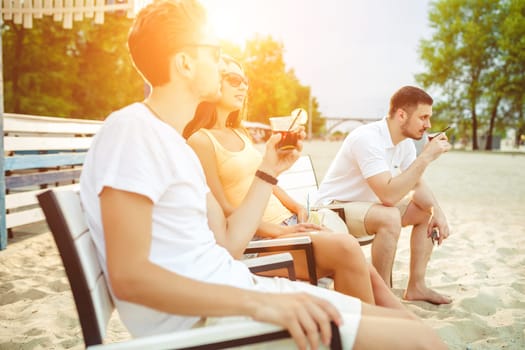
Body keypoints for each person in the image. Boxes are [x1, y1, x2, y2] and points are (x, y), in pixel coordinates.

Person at [79, 1, 447, 348]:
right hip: (212, 323)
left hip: (237, 295)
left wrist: (268, 170)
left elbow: (227, 244)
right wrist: (260, 305)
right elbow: (129, 277)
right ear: (185, 63)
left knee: (411, 329)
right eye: (215, 52)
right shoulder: (132, 132)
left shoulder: (173, 143)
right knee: (422, 343)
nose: (223, 64)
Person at [185, 55, 411, 311]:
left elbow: (263, 181)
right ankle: (378, 330)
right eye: (235, 80)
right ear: (214, 84)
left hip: (287, 225)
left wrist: (295, 208)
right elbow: (224, 210)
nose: (244, 87)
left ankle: (404, 323)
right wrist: (280, 231)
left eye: (245, 81)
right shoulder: (200, 141)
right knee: (347, 249)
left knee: (362, 264)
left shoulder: (240, 133)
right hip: (257, 239)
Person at [316, 85, 452, 305]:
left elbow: (416, 185)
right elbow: (389, 195)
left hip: (369, 207)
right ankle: (383, 294)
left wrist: (437, 211)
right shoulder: (367, 138)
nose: (428, 125)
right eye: (423, 117)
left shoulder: (406, 143)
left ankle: (417, 286)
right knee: (390, 215)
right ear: (401, 115)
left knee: (424, 212)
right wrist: (425, 158)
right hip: (334, 209)